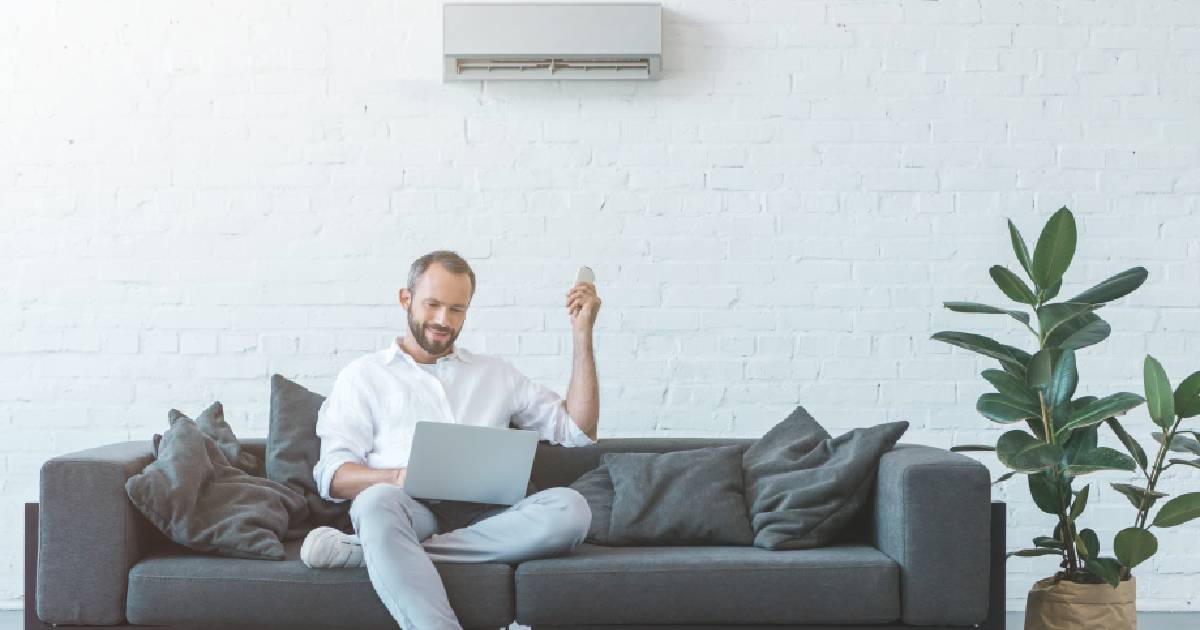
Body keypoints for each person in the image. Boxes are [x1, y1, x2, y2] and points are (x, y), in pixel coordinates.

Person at [301, 250, 601, 630]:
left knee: (572, 509)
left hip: (491, 515)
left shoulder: (495, 373)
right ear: (405, 299)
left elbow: (578, 430)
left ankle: (377, 553)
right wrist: (396, 478)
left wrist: (582, 333)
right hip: (409, 512)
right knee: (374, 503)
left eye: (457, 309)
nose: (444, 320)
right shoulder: (363, 376)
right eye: (433, 305)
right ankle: (394, 550)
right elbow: (332, 476)